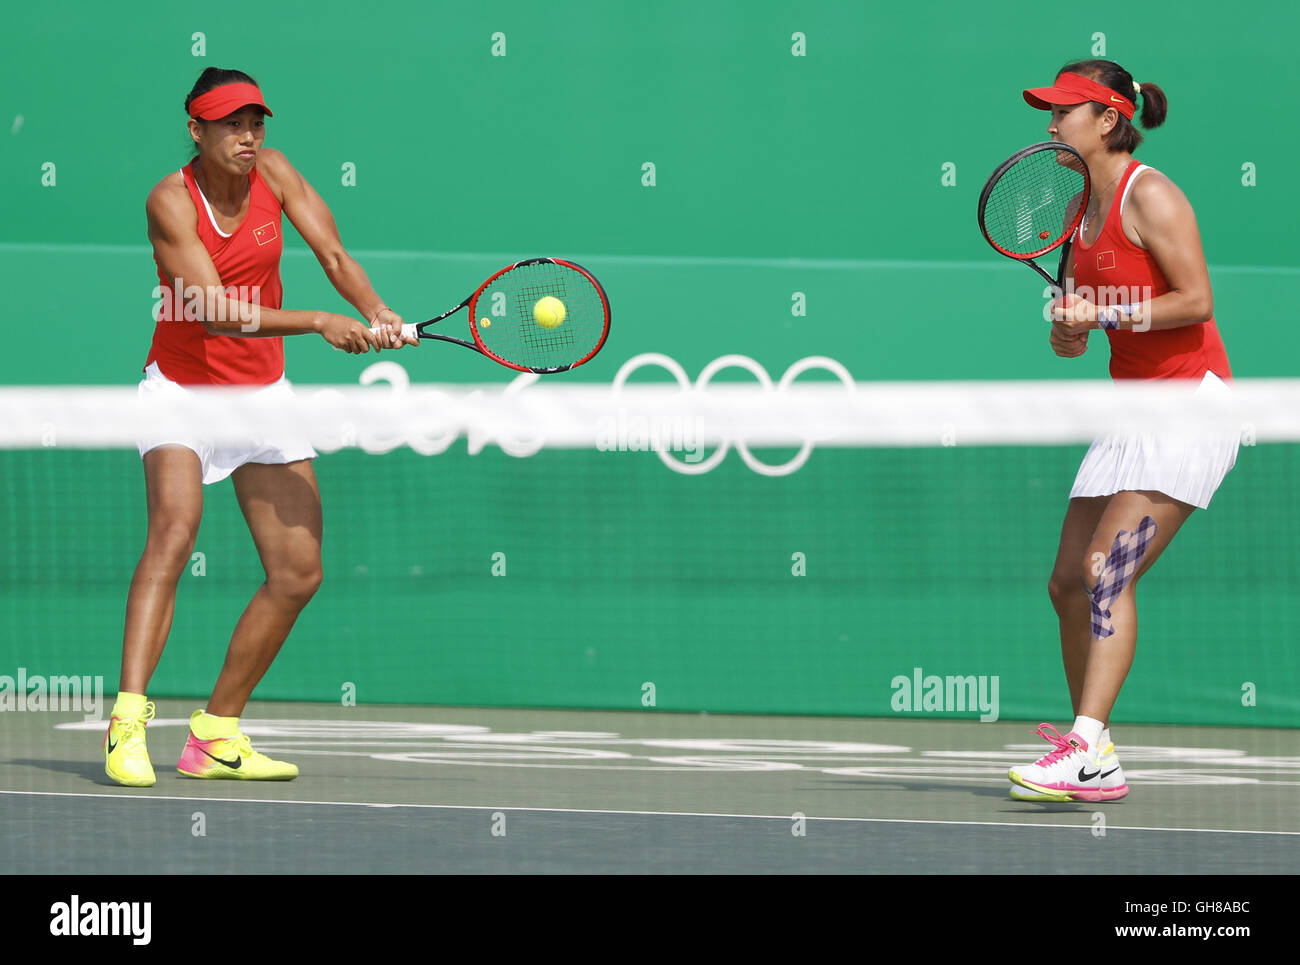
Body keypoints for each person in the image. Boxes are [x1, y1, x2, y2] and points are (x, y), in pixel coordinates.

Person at [103, 68, 415, 787]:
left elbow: (333, 255)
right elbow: (213, 310)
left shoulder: (275, 173)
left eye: (255, 123)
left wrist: (377, 312)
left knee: (299, 570)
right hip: (182, 392)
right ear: (197, 131)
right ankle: (126, 718)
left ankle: (215, 732)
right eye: (230, 124)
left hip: (261, 393)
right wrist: (317, 321)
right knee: (174, 532)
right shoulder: (169, 201)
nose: (248, 138)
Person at [1007, 61, 1237, 802]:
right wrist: (1068, 331)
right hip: (1130, 412)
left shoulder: (1153, 194)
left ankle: (1082, 741)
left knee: (1108, 570)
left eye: (1064, 111)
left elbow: (1196, 300)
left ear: (1108, 120)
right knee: (1067, 582)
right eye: (1049, 111)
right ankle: (1095, 754)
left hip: (1192, 408)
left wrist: (1104, 315)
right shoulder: (1076, 216)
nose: (1050, 125)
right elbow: (1073, 335)